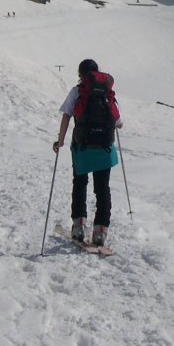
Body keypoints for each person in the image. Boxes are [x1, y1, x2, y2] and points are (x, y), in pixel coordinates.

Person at [52, 59, 122, 246]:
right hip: (103, 149)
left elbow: (67, 115)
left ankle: (78, 227)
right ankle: (100, 232)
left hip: (82, 147)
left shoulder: (77, 92)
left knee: (80, 183)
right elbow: (119, 122)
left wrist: (60, 141)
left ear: (81, 74)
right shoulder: (107, 93)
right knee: (102, 189)